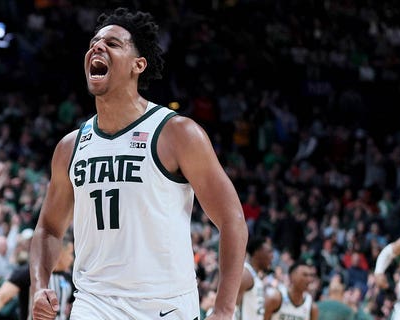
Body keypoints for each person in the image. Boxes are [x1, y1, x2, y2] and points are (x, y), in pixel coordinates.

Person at [29, 7, 247, 320]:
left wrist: (224, 309)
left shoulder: (177, 133)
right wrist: (40, 284)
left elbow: (232, 219)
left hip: (166, 306)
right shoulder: (70, 147)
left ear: (138, 65)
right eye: (94, 42)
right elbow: (48, 229)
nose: (98, 47)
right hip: (94, 303)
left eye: (113, 44)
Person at [0, 240, 74, 320]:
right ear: (59, 253)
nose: (72, 259)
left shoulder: (68, 277)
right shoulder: (30, 271)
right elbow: (1, 297)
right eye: (70, 253)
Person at [235, 236, 273, 320]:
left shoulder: (254, 276)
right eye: (269, 252)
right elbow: (232, 308)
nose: (272, 256)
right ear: (257, 252)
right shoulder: (246, 274)